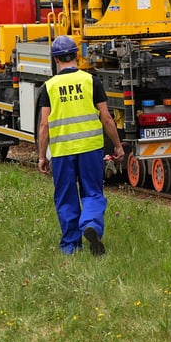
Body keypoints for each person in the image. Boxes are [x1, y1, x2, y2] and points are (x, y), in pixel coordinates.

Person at [37, 35, 125, 256]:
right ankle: (91, 224)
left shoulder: (49, 87)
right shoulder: (91, 81)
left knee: (66, 197)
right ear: (76, 55)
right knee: (93, 193)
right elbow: (106, 118)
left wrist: (42, 156)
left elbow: (44, 125)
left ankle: (71, 246)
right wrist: (117, 145)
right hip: (90, 149)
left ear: (56, 59)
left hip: (62, 152)